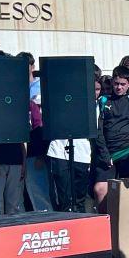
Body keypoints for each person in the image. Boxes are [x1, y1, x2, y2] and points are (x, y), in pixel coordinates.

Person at [91, 66, 129, 207]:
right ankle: (105, 225)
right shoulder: (103, 101)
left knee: (126, 193)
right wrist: (105, 154)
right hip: (106, 154)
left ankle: (124, 225)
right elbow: (98, 130)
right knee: (100, 190)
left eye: (123, 84)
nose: (119, 87)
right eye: (116, 83)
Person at [48, 79, 97, 213]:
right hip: (59, 151)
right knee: (63, 197)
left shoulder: (89, 105)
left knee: (79, 197)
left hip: (82, 153)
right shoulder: (57, 102)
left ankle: (79, 226)